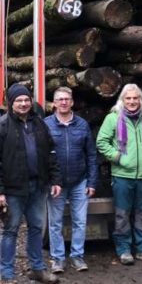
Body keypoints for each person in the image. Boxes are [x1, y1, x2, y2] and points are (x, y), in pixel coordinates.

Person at [0, 83, 62, 284]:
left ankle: (37, 268)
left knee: (37, 227)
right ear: (11, 103)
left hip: (38, 186)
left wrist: (55, 179)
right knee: (10, 230)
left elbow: (51, 153)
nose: (24, 103)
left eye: (27, 99)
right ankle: (8, 276)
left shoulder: (39, 124)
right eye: (19, 100)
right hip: (12, 190)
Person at [96, 84, 142, 266]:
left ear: (140, 100)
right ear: (122, 100)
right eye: (128, 98)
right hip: (122, 176)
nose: (132, 102)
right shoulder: (113, 118)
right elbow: (101, 142)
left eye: (135, 98)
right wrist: (117, 157)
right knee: (122, 214)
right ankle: (124, 249)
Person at [44, 86, 98, 273]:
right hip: (56, 183)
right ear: (54, 103)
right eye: (60, 99)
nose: (64, 102)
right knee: (55, 222)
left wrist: (92, 182)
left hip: (79, 181)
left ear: (72, 102)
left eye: (67, 99)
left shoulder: (82, 125)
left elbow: (91, 155)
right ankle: (58, 259)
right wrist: (49, 181)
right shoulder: (46, 125)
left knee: (80, 222)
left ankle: (77, 256)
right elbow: (43, 156)